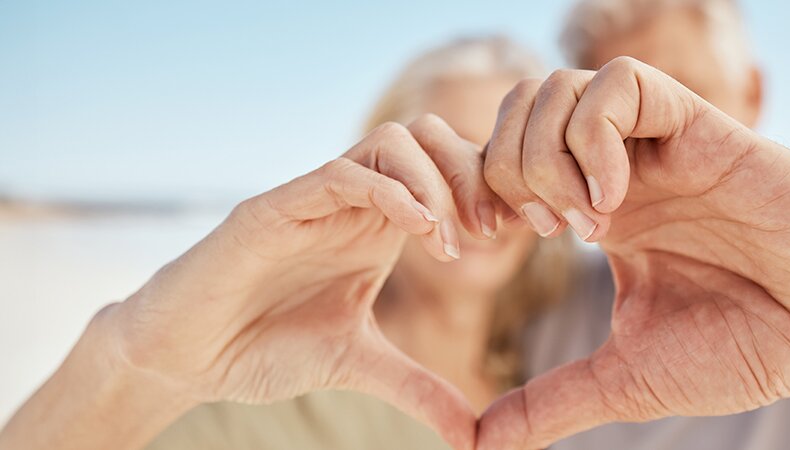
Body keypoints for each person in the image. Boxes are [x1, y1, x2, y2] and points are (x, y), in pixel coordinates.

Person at [0, 36, 573, 450]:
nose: (484, 201)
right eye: (450, 161)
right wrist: (135, 356)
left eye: (511, 165)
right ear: (388, 169)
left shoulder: (565, 354)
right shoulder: (276, 379)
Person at [473, 1, 790, 449]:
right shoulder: (547, 311)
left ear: (753, 92)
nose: (649, 124)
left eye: (686, 91)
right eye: (609, 107)